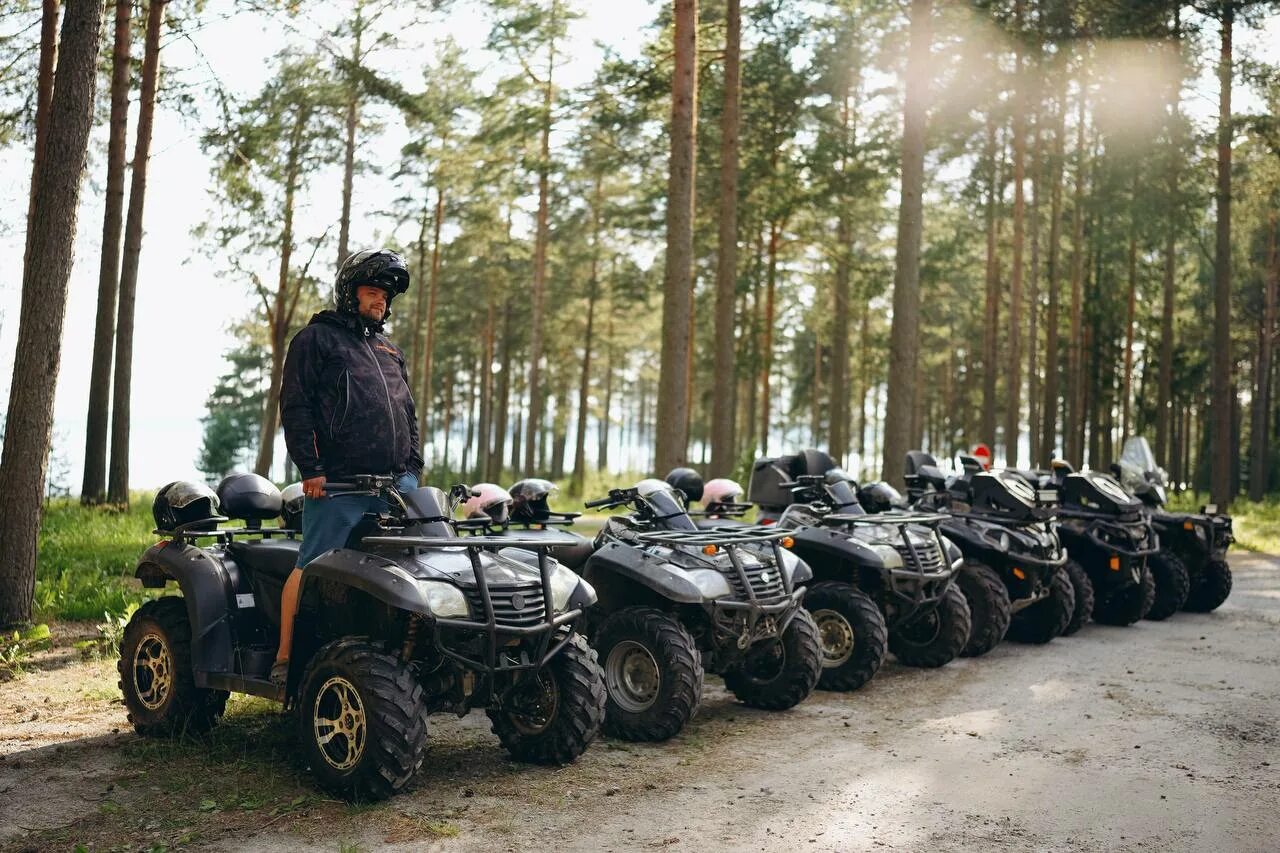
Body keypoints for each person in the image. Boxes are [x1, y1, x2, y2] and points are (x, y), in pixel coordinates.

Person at [272, 248, 424, 685]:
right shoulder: (316, 340)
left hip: (396, 487)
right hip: (337, 485)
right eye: (374, 292)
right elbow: (296, 407)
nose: (381, 301)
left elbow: (406, 412)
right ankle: (284, 659)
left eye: (386, 296)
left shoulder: (389, 350)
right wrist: (311, 468)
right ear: (349, 293)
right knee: (312, 564)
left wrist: (413, 465)